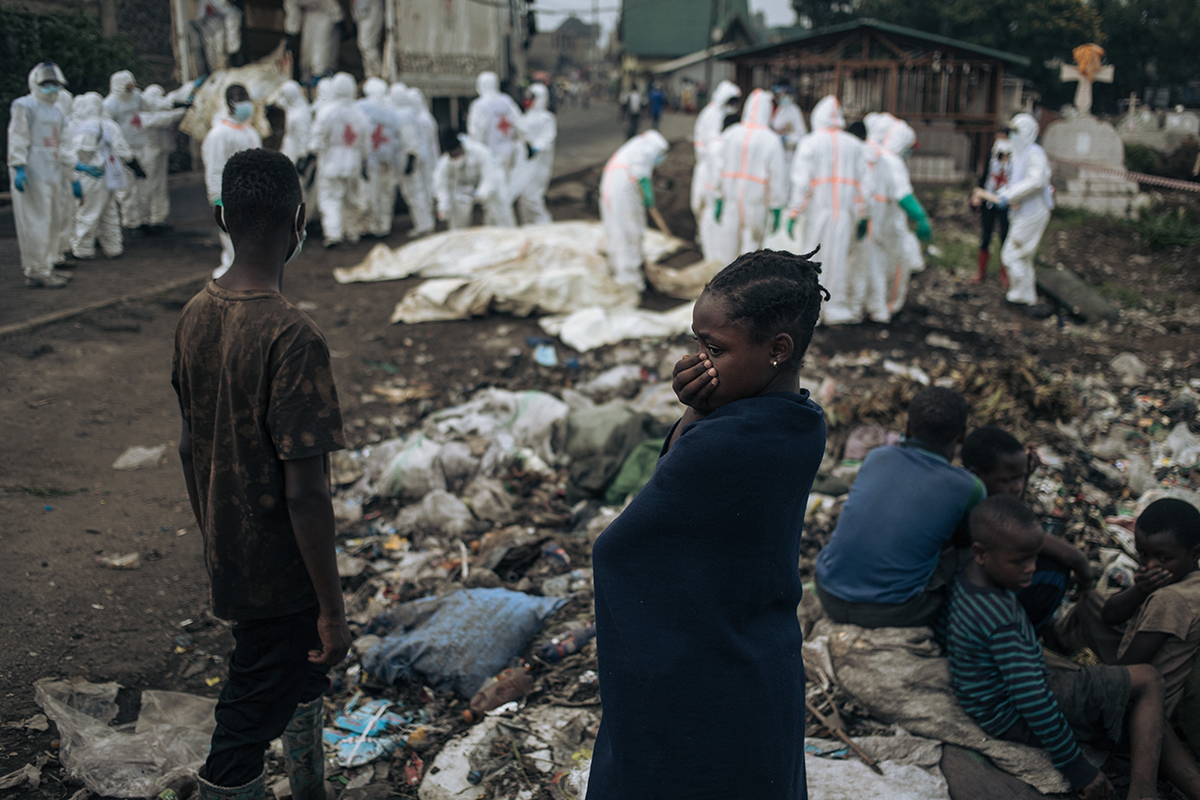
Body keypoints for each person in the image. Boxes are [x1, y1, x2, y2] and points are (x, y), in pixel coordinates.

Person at [587, 249, 828, 800]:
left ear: (778, 350)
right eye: (698, 343)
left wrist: (695, 414)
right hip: (762, 659)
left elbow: (625, 547)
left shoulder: (722, 443)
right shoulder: (803, 422)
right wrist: (702, 408)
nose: (700, 360)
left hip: (701, 675)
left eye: (715, 349)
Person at [173, 147, 350, 800]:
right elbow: (307, 492)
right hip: (283, 572)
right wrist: (332, 609)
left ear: (223, 217)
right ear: (298, 222)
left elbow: (192, 447)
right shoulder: (292, 337)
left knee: (296, 678)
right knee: (245, 722)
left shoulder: (196, 315)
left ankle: (309, 787)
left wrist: (218, 532)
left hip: (233, 553)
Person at [946, 495, 1200, 800]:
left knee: (1125, 678)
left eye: (1033, 558)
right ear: (981, 553)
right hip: (1010, 714)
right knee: (1145, 677)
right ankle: (1143, 793)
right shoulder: (1002, 622)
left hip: (995, 701)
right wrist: (1076, 766)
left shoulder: (966, 579)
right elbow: (1035, 700)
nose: (1030, 570)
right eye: (1019, 561)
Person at [814, 387, 984, 628]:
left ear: (908, 428)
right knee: (973, 554)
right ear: (963, 435)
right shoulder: (969, 487)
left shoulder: (877, 457)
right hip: (893, 612)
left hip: (826, 590)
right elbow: (964, 541)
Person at [1056, 499, 1200, 718]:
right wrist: (1140, 590)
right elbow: (1109, 615)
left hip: (1138, 703)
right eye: (1143, 554)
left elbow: (1124, 673)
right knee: (1091, 600)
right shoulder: (1184, 581)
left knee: (1051, 674)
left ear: (1195, 553)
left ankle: (1057, 643)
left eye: (1164, 558)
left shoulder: (1170, 599)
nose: (1150, 566)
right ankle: (1057, 637)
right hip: (1137, 656)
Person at [961, 426, 1092, 631]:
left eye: (1020, 477)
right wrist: (1083, 569)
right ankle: (1027, 633)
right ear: (976, 475)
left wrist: (1027, 476)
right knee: (1056, 571)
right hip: (974, 602)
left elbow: (1012, 513)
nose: (1017, 486)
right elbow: (1025, 536)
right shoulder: (977, 510)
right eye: (1007, 480)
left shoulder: (971, 493)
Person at [787, 96, 869, 325]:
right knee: (839, 260)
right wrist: (864, 215)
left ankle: (811, 311)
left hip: (817, 213)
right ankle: (836, 309)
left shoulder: (810, 143)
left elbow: (802, 182)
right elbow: (865, 185)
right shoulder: (855, 145)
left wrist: (794, 212)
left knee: (812, 260)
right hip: (845, 213)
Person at [8, 62, 77, 289]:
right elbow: (18, 136)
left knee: (52, 221)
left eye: (55, 83)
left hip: (52, 173)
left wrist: (72, 172)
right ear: (35, 83)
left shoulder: (57, 111)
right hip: (32, 173)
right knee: (36, 222)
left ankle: (48, 265)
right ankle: (37, 270)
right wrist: (18, 166)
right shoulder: (25, 105)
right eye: (46, 83)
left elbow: (63, 143)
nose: (51, 88)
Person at [858, 114, 931, 323]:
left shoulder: (873, 155)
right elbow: (903, 195)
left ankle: (868, 305)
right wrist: (921, 217)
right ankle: (886, 308)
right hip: (888, 225)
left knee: (868, 265)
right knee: (893, 266)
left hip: (871, 221)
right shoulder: (892, 162)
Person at [709, 88, 787, 266]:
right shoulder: (770, 140)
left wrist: (718, 196)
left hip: (731, 202)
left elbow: (718, 168)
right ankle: (745, 293)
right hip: (755, 206)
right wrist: (776, 206)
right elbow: (777, 177)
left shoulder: (731, 134)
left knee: (727, 253)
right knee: (751, 256)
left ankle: (725, 292)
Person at [202, 84, 262, 278]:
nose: (246, 104)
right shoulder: (219, 135)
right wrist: (217, 198)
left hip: (252, 195)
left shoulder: (250, 131)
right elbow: (214, 167)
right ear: (230, 103)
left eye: (247, 99)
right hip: (230, 196)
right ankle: (231, 279)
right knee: (234, 242)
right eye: (240, 99)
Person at [996, 113, 1053, 316]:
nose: (1012, 136)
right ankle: (1026, 297)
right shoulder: (1021, 154)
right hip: (1023, 210)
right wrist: (1004, 194)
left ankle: (1019, 296)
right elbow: (1019, 182)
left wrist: (1010, 194)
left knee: (1011, 254)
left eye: (1016, 132)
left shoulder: (1034, 153)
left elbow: (1036, 181)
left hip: (1033, 211)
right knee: (1024, 257)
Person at [599, 129, 669, 290]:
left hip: (614, 189)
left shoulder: (635, 146)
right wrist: (648, 195)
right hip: (624, 192)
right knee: (629, 232)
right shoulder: (652, 147)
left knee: (617, 231)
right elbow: (640, 173)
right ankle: (630, 280)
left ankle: (622, 271)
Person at [69, 92, 133, 260]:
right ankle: (113, 247)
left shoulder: (86, 127)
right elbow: (123, 151)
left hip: (91, 176)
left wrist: (76, 170)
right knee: (109, 213)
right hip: (110, 176)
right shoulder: (109, 124)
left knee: (88, 213)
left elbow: (80, 152)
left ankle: (83, 249)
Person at [307, 72, 369, 247]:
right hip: (354, 161)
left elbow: (317, 139)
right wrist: (363, 161)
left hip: (331, 162)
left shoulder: (326, 112)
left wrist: (311, 158)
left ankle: (334, 234)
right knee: (351, 199)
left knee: (330, 199)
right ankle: (352, 232)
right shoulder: (360, 114)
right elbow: (366, 142)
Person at [691, 80, 741, 261]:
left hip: (710, 167)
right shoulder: (713, 115)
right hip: (709, 168)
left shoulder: (713, 113)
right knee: (707, 208)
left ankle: (708, 247)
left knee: (707, 209)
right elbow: (713, 148)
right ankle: (709, 251)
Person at [466, 71, 521, 227]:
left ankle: (498, 226)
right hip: (508, 152)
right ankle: (497, 224)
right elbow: (519, 124)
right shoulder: (506, 101)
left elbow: (476, 133)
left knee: (493, 192)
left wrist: (475, 156)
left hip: (490, 155)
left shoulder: (479, 105)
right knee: (503, 190)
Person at [104, 70, 151, 233]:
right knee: (127, 189)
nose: (131, 89)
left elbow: (146, 110)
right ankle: (131, 222)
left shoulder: (137, 97)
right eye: (127, 86)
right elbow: (109, 131)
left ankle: (145, 218)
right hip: (123, 151)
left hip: (141, 143)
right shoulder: (110, 104)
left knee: (144, 184)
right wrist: (122, 153)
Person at [356, 77, 402, 238]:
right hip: (387, 158)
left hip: (371, 158)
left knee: (371, 194)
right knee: (386, 194)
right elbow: (397, 139)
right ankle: (384, 226)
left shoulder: (361, 107)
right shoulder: (392, 112)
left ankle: (370, 226)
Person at [140, 85, 189, 232]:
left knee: (160, 186)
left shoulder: (159, 110)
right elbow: (161, 120)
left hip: (160, 151)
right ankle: (145, 218)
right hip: (148, 153)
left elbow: (171, 101)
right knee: (149, 186)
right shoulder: (142, 115)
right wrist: (182, 111)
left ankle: (158, 218)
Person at [392, 86, 435, 237]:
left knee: (415, 193)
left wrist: (410, 160)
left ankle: (424, 225)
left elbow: (411, 141)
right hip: (419, 156)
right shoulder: (412, 113)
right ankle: (425, 223)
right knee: (418, 192)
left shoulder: (404, 115)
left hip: (412, 158)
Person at [971, 135, 1012, 286]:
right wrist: (977, 195)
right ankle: (981, 272)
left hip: (1006, 203)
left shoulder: (1015, 162)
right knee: (985, 236)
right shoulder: (992, 157)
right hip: (989, 200)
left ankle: (1005, 274)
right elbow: (984, 177)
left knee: (1005, 238)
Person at [513, 82, 556, 226]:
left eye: (532, 97)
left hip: (540, 164)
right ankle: (529, 228)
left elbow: (547, 138)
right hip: (525, 164)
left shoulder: (547, 118)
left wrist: (535, 148)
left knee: (533, 197)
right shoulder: (524, 117)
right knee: (523, 198)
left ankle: (545, 227)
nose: (528, 100)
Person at [432, 128, 484, 230]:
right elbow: (441, 184)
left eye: (457, 154)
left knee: (495, 207)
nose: (456, 158)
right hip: (463, 192)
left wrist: (481, 194)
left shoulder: (479, 153)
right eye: (453, 156)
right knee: (459, 209)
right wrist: (443, 205)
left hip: (481, 188)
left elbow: (490, 177)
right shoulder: (445, 163)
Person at [283, 0, 343, 83]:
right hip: (309, 14)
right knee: (306, 50)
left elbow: (330, 3)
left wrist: (338, 18)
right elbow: (292, 8)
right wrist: (291, 31)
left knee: (321, 48)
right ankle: (306, 79)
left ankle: (320, 77)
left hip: (326, 14)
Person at [770, 84, 806, 174]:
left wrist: (787, 139)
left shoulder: (794, 111)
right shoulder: (780, 109)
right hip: (778, 152)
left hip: (789, 155)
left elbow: (801, 136)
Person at [351, 0, 383, 80]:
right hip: (362, 9)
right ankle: (370, 76)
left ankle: (376, 76)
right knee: (364, 45)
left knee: (367, 45)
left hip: (369, 7)